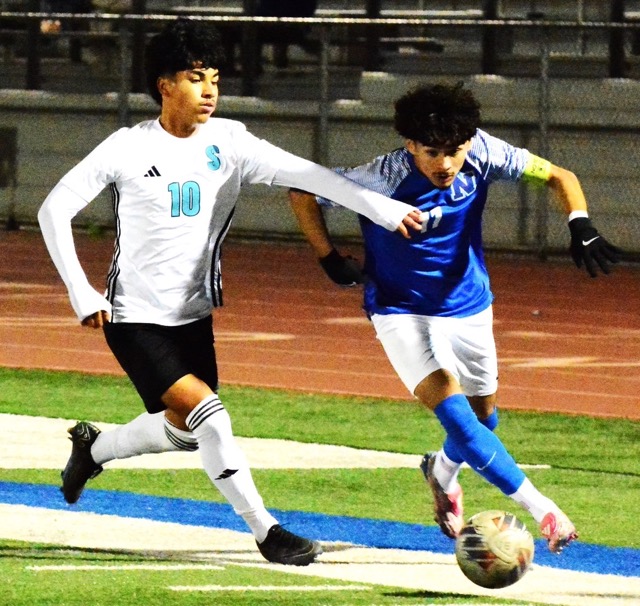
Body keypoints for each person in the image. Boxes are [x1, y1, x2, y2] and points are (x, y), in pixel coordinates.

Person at [37, 18, 422, 567]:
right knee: (211, 418)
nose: (210, 89)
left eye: (215, 77)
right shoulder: (126, 146)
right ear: (165, 85)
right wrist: (81, 292)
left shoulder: (231, 142)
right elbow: (53, 208)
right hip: (133, 316)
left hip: (193, 315)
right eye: (197, 77)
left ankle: (92, 450)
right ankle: (268, 533)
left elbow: (312, 175)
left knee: (185, 433)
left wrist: (383, 211)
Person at [289, 82, 621, 554]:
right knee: (460, 419)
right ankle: (544, 509)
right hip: (399, 309)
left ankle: (440, 471)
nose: (445, 164)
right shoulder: (382, 176)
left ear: (470, 141)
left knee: (484, 423)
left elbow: (559, 176)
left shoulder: (486, 153)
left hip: (468, 305)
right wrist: (327, 257)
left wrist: (579, 223)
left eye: (454, 151)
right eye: (431, 152)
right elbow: (302, 190)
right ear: (409, 145)